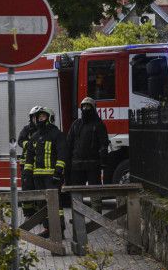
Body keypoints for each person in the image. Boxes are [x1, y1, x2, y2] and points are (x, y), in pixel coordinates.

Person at [23, 107, 66, 238]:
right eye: (39, 117)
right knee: (42, 204)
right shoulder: (35, 136)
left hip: (52, 177)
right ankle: (47, 228)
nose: (40, 119)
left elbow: (62, 153)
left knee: (55, 203)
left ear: (50, 118)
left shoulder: (57, 134)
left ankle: (59, 229)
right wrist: (27, 173)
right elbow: (29, 157)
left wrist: (58, 171)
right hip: (38, 177)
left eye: (43, 116)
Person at [67, 97, 110, 210]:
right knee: (76, 194)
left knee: (95, 193)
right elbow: (69, 143)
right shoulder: (76, 124)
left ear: (93, 108)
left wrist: (103, 161)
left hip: (93, 164)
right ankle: (78, 215)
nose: (85, 109)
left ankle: (97, 216)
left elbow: (104, 144)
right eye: (84, 107)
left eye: (88, 106)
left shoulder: (99, 125)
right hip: (76, 165)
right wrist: (68, 160)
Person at [18, 106, 42, 218]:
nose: (36, 119)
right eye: (34, 117)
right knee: (27, 188)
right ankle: (28, 214)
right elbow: (20, 141)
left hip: (40, 164)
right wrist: (29, 145)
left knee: (38, 188)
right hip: (26, 164)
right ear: (31, 118)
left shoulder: (44, 129)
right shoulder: (27, 129)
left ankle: (39, 213)